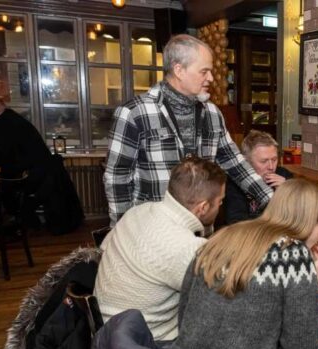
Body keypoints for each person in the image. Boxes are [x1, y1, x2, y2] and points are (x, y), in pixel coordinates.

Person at [170, 179, 318, 349]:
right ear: (311, 224)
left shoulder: (222, 236)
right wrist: (309, 280)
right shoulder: (293, 256)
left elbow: (184, 313)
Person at [104, 34, 273, 226]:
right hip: (152, 229)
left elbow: (234, 162)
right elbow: (117, 177)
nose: (211, 78)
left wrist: (272, 199)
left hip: (200, 226)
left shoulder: (211, 113)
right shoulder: (134, 113)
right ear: (179, 70)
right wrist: (122, 229)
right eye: (204, 71)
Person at [94, 157, 226, 342]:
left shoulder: (137, 211)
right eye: (220, 201)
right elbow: (226, 296)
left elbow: (104, 247)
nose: (221, 206)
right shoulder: (186, 248)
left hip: (106, 325)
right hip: (144, 347)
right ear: (203, 207)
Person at [0, 94, 83, 234]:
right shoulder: (11, 118)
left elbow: (5, 155)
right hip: (43, 172)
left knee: (5, 190)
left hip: (35, 174)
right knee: (12, 192)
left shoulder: (2, 122)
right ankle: (26, 221)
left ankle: (17, 224)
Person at [223, 130, 292, 224]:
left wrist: (288, 191)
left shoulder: (284, 176)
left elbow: (300, 218)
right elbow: (237, 223)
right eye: (264, 161)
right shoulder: (235, 183)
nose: (271, 167)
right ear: (246, 162)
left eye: (274, 160)